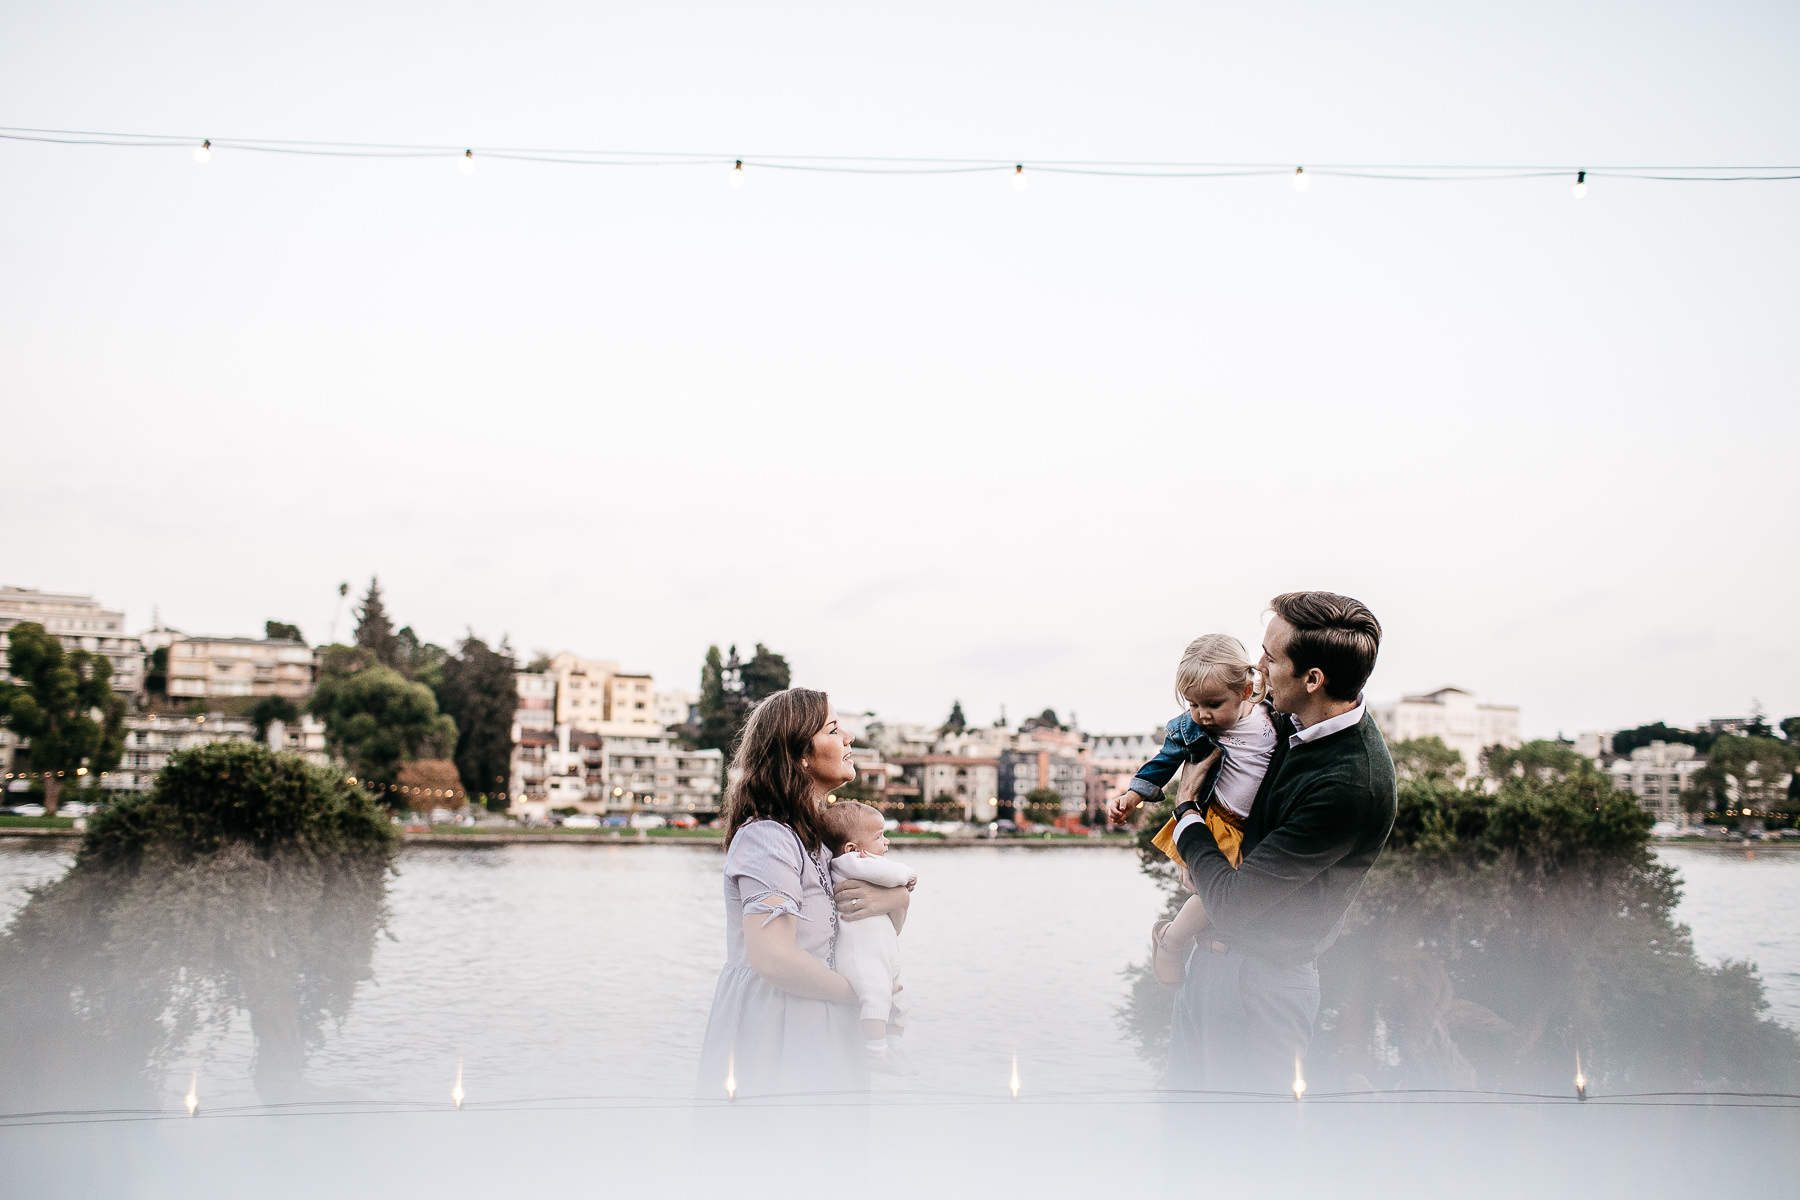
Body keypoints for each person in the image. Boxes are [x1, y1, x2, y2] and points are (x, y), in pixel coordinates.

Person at [1165, 592, 1397, 1092]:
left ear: (1313, 679)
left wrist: (1186, 813)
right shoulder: (1284, 718)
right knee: (1183, 1131)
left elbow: (1231, 902)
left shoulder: (1350, 783)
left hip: (1260, 989)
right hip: (1213, 968)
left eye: (1270, 656)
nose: (1257, 665)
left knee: (1249, 1149)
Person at [695, 689, 914, 1098]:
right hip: (775, 1030)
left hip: (824, 1026)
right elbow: (772, 958)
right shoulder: (767, 838)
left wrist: (896, 899)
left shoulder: (821, 843)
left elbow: (870, 932)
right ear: (801, 756)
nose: (848, 737)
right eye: (833, 729)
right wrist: (864, 996)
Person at [1104, 634, 1275, 986]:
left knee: (1229, 892)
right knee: (1215, 889)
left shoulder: (1272, 717)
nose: (1202, 715)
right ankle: (1171, 940)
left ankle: (1205, 937)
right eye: (1193, 704)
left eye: (1212, 703)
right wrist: (1133, 796)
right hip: (1217, 823)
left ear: (1245, 690)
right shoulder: (1190, 729)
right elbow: (1162, 763)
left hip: (1256, 824)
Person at [821, 800, 918, 1074]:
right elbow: (886, 873)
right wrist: (907, 876)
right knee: (875, 996)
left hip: (883, 953)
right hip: (861, 954)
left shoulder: (858, 862)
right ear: (852, 847)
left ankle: (893, 1044)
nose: (886, 843)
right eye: (879, 837)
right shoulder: (850, 862)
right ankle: (875, 1051)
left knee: (901, 997)